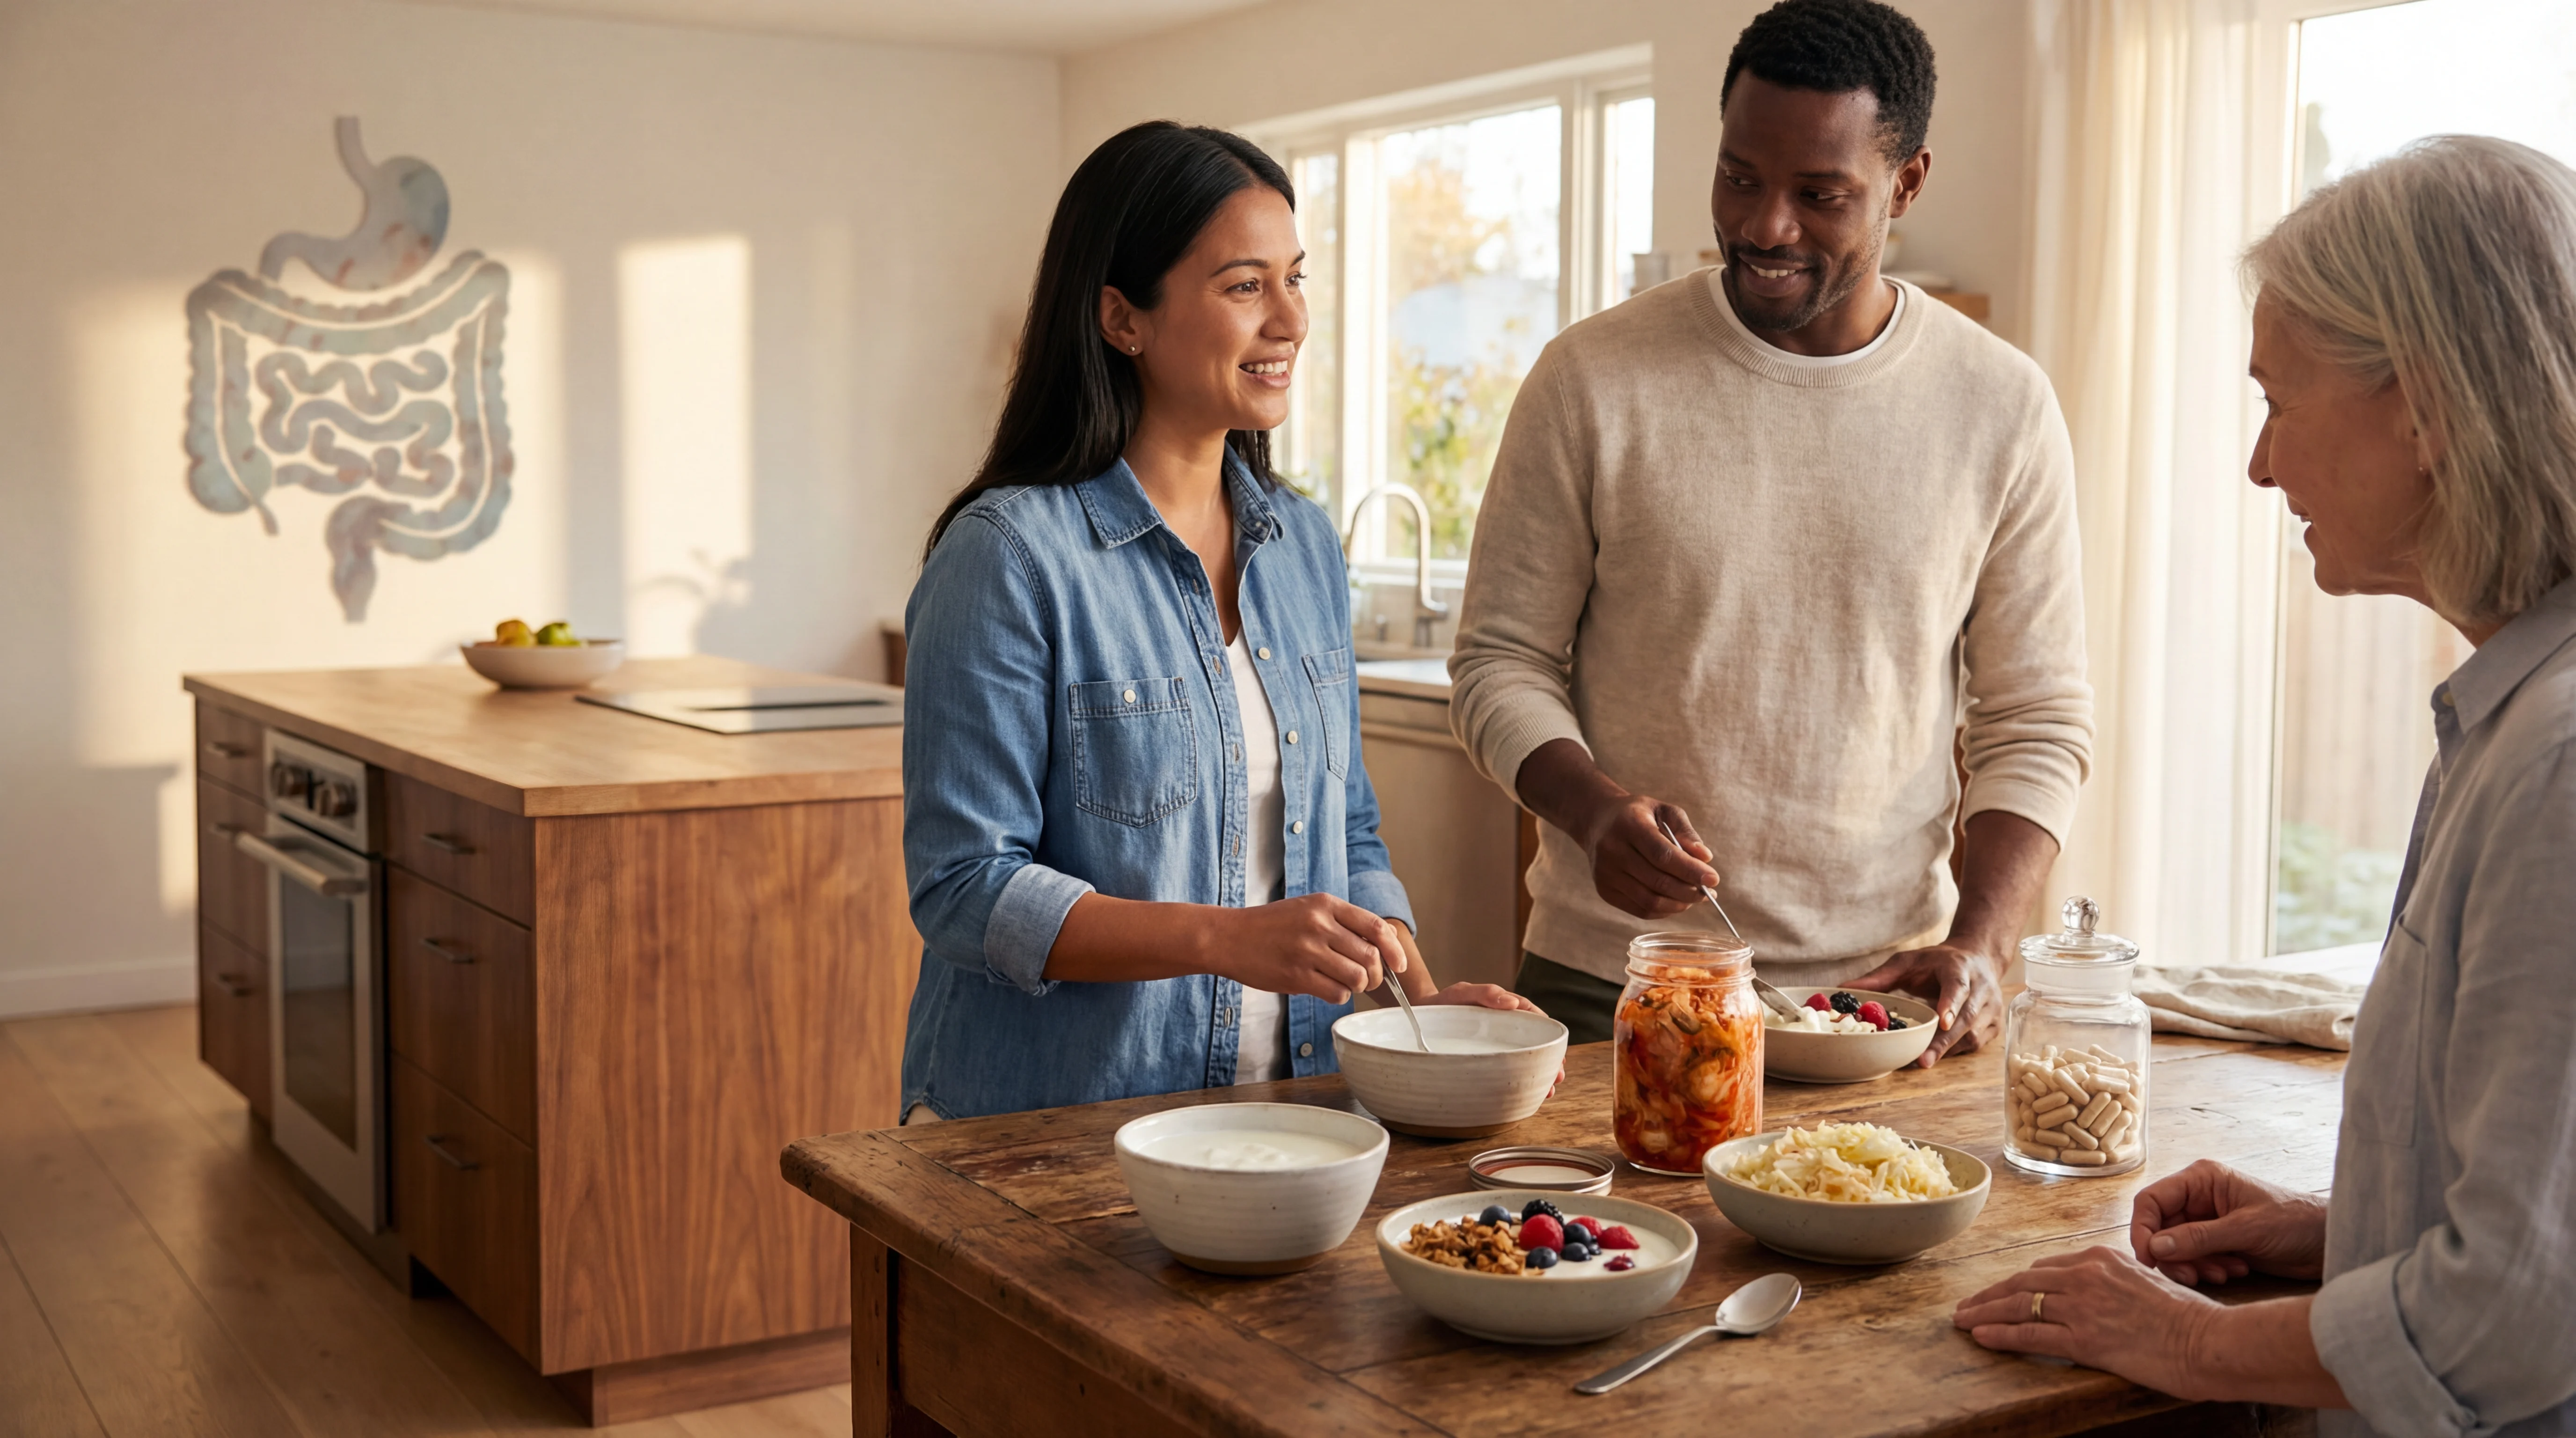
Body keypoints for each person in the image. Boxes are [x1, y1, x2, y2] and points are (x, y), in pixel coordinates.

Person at [1955, 136, 2576, 1436]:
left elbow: (2518, 1312)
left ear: (2421, 405)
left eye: (2279, 402)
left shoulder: (2560, 765)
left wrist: (2182, 1339)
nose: (2259, 466)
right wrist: (2340, 1236)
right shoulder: (2513, 717)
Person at [1448, 0, 2092, 1053]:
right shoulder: (1592, 378)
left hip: (1882, 1004)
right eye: (1739, 176)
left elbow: (2037, 717)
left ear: (1907, 183)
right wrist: (1593, 810)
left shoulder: (2001, 406)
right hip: (1612, 984)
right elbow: (1497, 665)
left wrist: (1981, 940)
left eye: (1818, 194)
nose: (1763, 226)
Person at [899, 121, 1533, 1122]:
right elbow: (964, 889)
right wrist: (1226, 937)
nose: (1290, 319)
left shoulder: (1304, 548)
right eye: (1244, 286)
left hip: (1288, 1120)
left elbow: (1348, 835)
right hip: (1053, 1126)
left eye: (1296, 277)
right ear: (1123, 319)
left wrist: (1413, 1005)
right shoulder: (1009, 556)